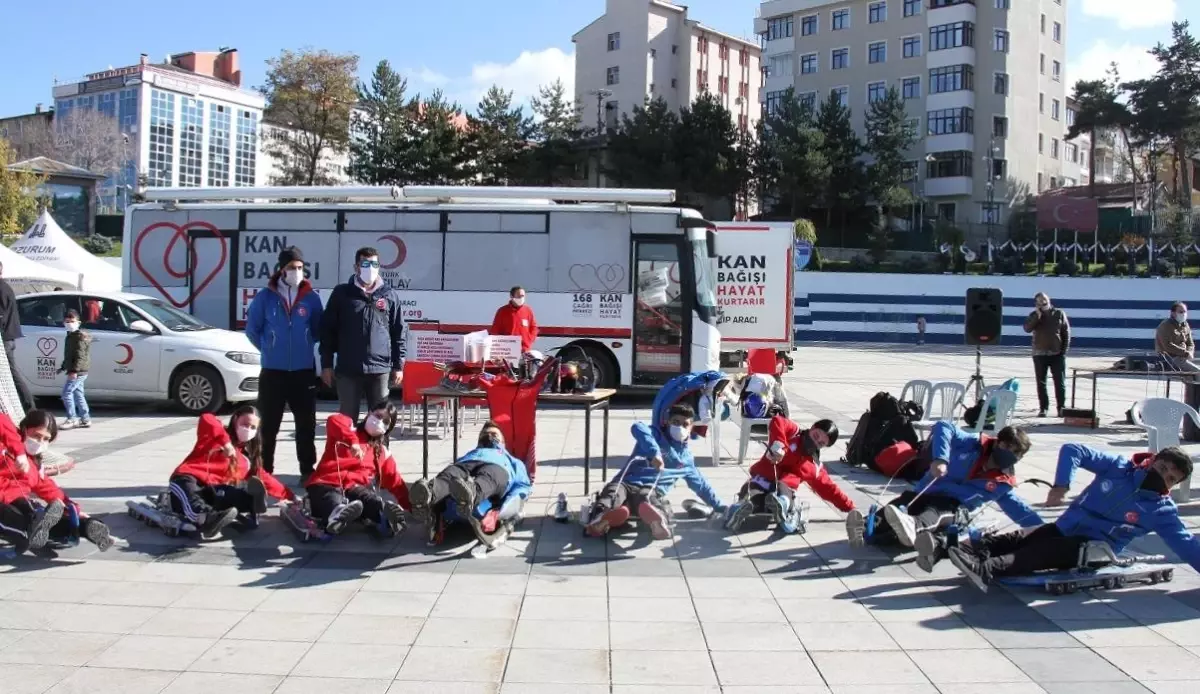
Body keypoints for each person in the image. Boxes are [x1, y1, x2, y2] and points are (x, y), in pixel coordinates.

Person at [947, 444, 1200, 593]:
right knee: (1023, 537)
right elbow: (1072, 449)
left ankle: (986, 568)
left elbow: (1186, 544)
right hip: (1066, 526)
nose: (1163, 476)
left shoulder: (1161, 510)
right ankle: (968, 551)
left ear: (1174, 485)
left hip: (1094, 549)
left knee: (1043, 551)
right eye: (1162, 468)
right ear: (1152, 459)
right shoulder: (1119, 468)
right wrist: (1061, 484)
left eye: (1170, 478)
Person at [866, 422, 1041, 571]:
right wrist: (941, 459)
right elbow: (944, 426)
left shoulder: (1002, 483)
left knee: (937, 511)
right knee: (902, 503)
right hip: (928, 490)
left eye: (1017, 453)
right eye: (1008, 447)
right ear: (998, 443)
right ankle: (869, 523)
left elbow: (1018, 509)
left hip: (955, 508)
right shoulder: (972, 443)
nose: (1011, 454)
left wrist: (1045, 532)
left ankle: (914, 526)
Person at [585, 402, 724, 539]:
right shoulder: (655, 435)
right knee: (613, 493)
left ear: (691, 427)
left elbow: (701, 486)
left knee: (646, 498)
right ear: (667, 422)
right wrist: (654, 453)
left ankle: (658, 522)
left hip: (652, 488)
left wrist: (720, 507)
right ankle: (600, 518)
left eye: (685, 424)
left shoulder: (686, 460)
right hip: (627, 481)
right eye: (675, 422)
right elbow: (637, 427)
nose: (679, 427)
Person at [245, 246, 323, 478]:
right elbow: (252, 330)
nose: (296, 272)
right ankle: (263, 471)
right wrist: (270, 348)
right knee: (268, 426)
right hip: (273, 372)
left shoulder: (311, 297)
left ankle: (307, 470)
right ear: (281, 269)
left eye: (300, 267)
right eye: (292, 267)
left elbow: (319, 330)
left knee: (306, 426)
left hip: (303, 371)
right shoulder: (265, 297)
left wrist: (305, 344)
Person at [168, 406, 295, 539]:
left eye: (253, 427)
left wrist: (289, 496)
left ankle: (244, 505)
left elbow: (265, 478)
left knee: (235, 494)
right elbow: (207, 418)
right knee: (191, 492)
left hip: (211, 491)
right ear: (235, 420)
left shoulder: (244, 460)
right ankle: (204, 517)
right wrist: (226, 443)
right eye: (245, 424)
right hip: (188, 478)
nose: (248, 430)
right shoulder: (215, 435)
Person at [0, 411, 112, 553]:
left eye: (45, 439)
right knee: (15, 516)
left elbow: (50, 490)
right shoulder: (5, 442)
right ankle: (31, 530)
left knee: (37, 515)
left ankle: (85, 528)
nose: (39, 442)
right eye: (36, 435)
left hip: (18, 501)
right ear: (24, 429)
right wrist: (19, 453)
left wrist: (74, 509)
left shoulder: (34, 466)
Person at [409, 420, 532, 546]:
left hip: (498, 467)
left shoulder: (512, 460)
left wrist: (503, 509)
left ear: (503, 443)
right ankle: (430, 494)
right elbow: (452, 473)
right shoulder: (470, 453)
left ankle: (472, 493)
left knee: (488, 477)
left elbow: (523, 486)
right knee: (450, 474)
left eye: (494, 434)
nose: (489, 435)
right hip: (467, 464)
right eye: (484, 433)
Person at [320, 247, 405, 422]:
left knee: (380, 422)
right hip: (348, 369)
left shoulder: (389, 295)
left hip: (380, 369)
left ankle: (380, 451)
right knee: (347, 422)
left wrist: (398, 365)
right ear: (356, 267)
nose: (370, 268)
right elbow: (327, 330)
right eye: (365, 264)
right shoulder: (342, 294)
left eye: (374, 264)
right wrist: (326, 364)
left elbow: (398, 332)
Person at [725, 418, 844, 533]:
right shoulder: (794, 433)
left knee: (785, 487)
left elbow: (829, 489)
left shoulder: (814, 465)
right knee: (754, 490)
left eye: (821, 443)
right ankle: (743, 506)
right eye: (816, 436)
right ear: (812, 428)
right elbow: (778, 421)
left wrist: (850, 508)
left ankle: (781, 504)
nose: (815, 442)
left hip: (783, 488)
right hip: (763, 478)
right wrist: (779, 443)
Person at [304, 404, 408, 537]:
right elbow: (333, 420)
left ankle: (386, 517)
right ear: (369, 413)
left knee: (369, 500)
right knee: (331, 498)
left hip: (354, 488)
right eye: (378, 416)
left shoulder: (381, 452)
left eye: (385, 422)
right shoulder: (349, 428)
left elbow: (396, 482)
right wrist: (353, 442)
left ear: (387, 429)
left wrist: (413, 506)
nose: (379, 422)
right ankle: (336, 515)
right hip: (326, 482)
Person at [1023, 292, 1070, 417]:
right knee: (1041, 382)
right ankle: (1043, 408)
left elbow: (1066, 333)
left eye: (1044, 298)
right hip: (1039, 353)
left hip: (1056, 353)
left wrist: (1063, 351)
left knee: (1059, 382)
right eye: (1039, 300)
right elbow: (1027, 329)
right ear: (1036, 303)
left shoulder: (1059, 313)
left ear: (1048, 299)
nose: (1042, 301)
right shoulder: (1034, 315)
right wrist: (1037, 317)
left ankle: (1061, 407)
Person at [0, 262, 33, 414]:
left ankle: (29, 408)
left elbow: (2, 316)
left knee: (11, 375)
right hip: (8, 337)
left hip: (3, 338)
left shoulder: (1, 288)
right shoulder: (5, 287)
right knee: (11, 374)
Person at [58, 310, 91, 429]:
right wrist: (63, 367)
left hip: (79, 371)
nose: (69, 324)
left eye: (72, 321)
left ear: (78, 322)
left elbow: (80, 356)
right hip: (78, 370)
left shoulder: (79, 337)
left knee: (66, 393)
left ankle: (72, 418)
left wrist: (74, 371)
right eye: (67, 322)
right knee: (78, 394)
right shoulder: (70, 336)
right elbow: (69, 355)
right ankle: (85, 418)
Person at [490, 285, 538, 353]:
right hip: (508, 351)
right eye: (519, 296)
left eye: (523, 296)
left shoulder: (528, 310)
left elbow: (534, 328)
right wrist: (499, 348)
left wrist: (529, 340)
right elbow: (495, 331)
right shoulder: (502, 311)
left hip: (524, 350)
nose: (521, 298)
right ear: (511, 296)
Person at [1155, 301, 1198, 373]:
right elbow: (1167, 346)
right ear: (1173, 313)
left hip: (1184, 356)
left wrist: (1190, 352)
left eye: (1185, 312)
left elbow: (1190, 343)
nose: (1184, 314)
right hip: (1170, 357)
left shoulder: (1185, 325)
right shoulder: (1165, 325)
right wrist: (1185, 353)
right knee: (1197, 371)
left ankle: (1190, 384)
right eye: (1181, 312)